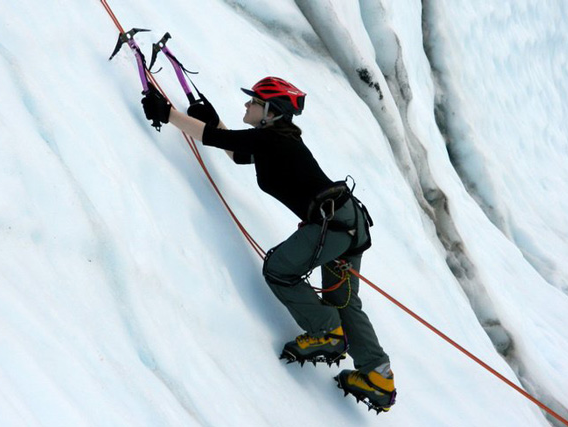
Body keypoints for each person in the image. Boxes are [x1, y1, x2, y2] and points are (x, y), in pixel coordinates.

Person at [141, 76, 396, 412]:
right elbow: (235, 151)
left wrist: (169, 114)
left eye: (254, 102)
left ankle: (327, 331)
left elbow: (216, 139)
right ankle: (377, 375)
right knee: (342, 299)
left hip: (332, 226)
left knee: (279, 270)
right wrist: (211, 117)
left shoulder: (274, 139)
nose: (247, 105)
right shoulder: (276, 139)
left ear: (270, 112)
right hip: (346, 224)